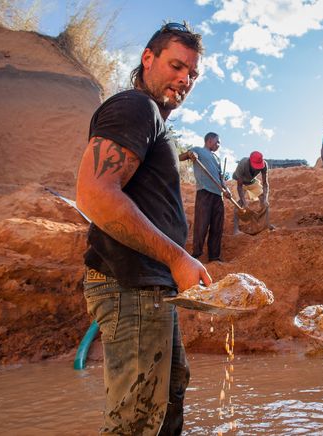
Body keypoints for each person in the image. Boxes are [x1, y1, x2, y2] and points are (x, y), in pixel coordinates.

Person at [75, 22, 209, 435]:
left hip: (151, 290)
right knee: (136, 421)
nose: (184, 79)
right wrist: (177, 257)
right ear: (147, 59)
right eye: (175, 65)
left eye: (192, 74)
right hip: (128, 287)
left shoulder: (154, 122)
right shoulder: (136, 107)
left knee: (167, 403)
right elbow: (94, 194)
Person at [178, 132, 231, 262]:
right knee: (202, 224)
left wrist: (226, 189)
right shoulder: (198, 150)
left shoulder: (217, 159)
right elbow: (180, 157)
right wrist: (190, 154)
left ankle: (214, 256)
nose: (219, 145)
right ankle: (196, 254)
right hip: (204, 192)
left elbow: (221, 179)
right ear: (209, 140)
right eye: (217, 142)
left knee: (217, 227)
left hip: (218, 196)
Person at [232, 151, 270, 234]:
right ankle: (236, 230)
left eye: (259, 166)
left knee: (264, 198)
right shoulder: (243, 163)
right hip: (238, 182)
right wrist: (244, 202)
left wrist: (265, 199)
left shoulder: (264, 165)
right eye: (255, 166)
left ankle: (265, 224)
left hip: (251, 181)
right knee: (239, 203)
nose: (257, 169)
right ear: (250, 161)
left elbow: (265, 184)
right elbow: (239, 186)